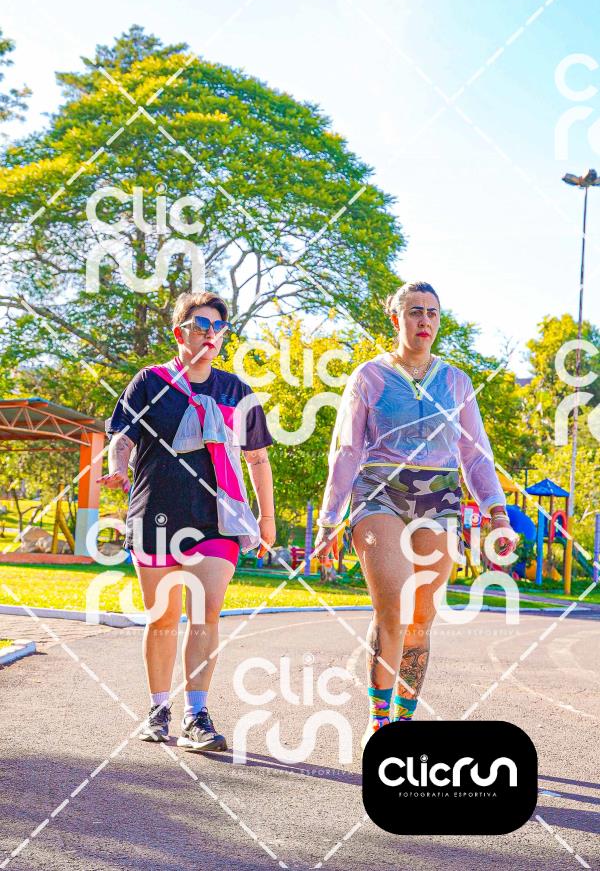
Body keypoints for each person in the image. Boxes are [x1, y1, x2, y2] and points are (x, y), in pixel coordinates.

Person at [314, 281, 515, 748]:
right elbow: (347, 450)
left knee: (421, 615)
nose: (425, 320)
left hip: (439, 499)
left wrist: (497, 513)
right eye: (415, 312)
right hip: (379, 494)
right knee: (394, 606)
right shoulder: (369, 376)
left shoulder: (456, 381)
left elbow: (475, 454)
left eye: (432, 313)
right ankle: (379, 721)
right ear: (396, 318)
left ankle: (403, 720)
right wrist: (330, 517)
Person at [100, 292, 275, 752]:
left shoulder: (236, 391)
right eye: (201, 325)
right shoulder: (149, 382)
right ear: (180, 332)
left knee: (205, 612)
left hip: (217, 519)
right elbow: (122, 436)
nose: (210, 334)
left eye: (218, 327)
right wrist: (119, 465)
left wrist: (266, 517)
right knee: (162, 617)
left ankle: (197, 715)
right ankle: (158, 708)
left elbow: (258, 458)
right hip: (155, 512)